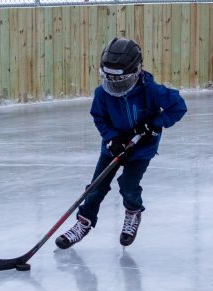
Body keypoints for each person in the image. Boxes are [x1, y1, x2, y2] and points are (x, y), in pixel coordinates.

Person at [56, 37, 187, 249]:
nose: (115, 87)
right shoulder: (102, 94)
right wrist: (111, 139)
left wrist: (154, 125)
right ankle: (84, 222)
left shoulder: (152, 91)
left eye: (121, 81)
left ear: (136, 72)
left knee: (128, 186)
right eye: (110, 80)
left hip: (141, 149)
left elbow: (178, 107)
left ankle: (133, 212)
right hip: (113, 147)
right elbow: (99, 118)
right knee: (96, 187)